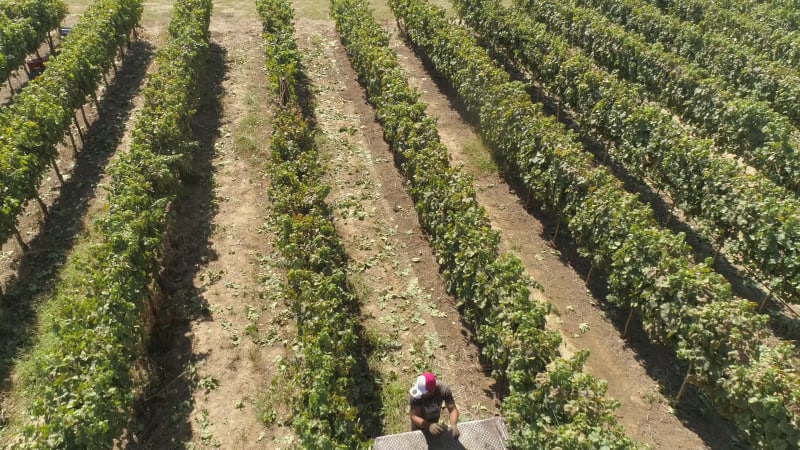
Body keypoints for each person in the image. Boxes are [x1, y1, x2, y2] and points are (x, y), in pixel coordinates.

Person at [408, 372, 460, 438]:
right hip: (419, 425)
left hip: (434, 422)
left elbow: (452, 410)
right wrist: (429, 425)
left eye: (423, 393)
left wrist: (453, 424)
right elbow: (414, 416)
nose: (420, 395)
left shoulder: (443, 389)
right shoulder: (415, 395)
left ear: (432, 390)